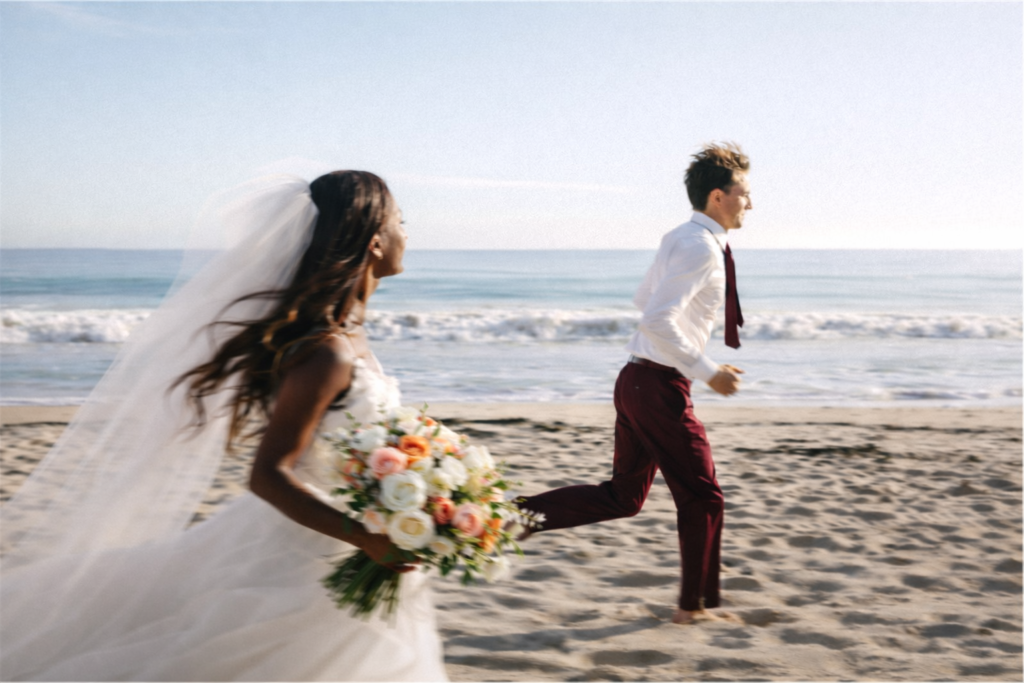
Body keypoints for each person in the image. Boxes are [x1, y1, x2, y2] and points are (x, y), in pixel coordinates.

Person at [0, 172, 448, 681]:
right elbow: (268, 474)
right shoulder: (327, 353)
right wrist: (365, 536)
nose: (407, 235)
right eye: (401, 223)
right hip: (303, 556)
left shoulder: (350, 335)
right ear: (373, 241)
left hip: (354, 545)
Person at [516, 142, 752, 625]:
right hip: (658, 387)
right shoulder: (700, 248)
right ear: (717, 197)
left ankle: (516, 517)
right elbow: (657, 318)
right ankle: (694, 607)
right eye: (745, 194)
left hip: (637, 381)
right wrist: (709, 371)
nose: (751, 204)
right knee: (703, 495)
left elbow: (642, 297)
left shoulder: (682, 237)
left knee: (624, 497)